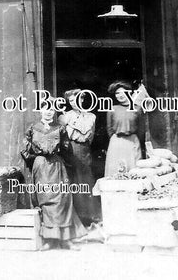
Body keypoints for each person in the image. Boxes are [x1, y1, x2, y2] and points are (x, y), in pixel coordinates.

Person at [21, 102, 87, 251]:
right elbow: (25, 150)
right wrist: (37, 160)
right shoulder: (32, 128)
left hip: (57, 165)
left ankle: (66, 239)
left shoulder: (60, 128)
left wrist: (60, 159)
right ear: (40, 111)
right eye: (46, 109)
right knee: (45, 199)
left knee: (62, 199)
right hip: (41, 166)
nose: (49, 112)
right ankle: (50, 240)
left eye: (51, 109)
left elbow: (67, 149)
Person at [60, 89, 101, 225]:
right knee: (73, 181)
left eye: (77, 99)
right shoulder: (64, 116)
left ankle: (91, 215)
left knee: (86, 180)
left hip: (84, 150)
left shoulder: (91, 116)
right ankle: (76, 218)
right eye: (71, 101)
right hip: (70, 150)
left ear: (82, 99)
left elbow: (90, 135)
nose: (74, 103)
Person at [105, 80, 142, 176]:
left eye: (122, 92)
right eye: (117, 93)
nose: (120, 95)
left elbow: (141, 128)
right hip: (116, 142)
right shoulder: (112, 108)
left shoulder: (137, 108)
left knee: (133, 169)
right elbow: (109, 128)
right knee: (116, 170)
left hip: (132, 141)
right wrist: (117, 140)